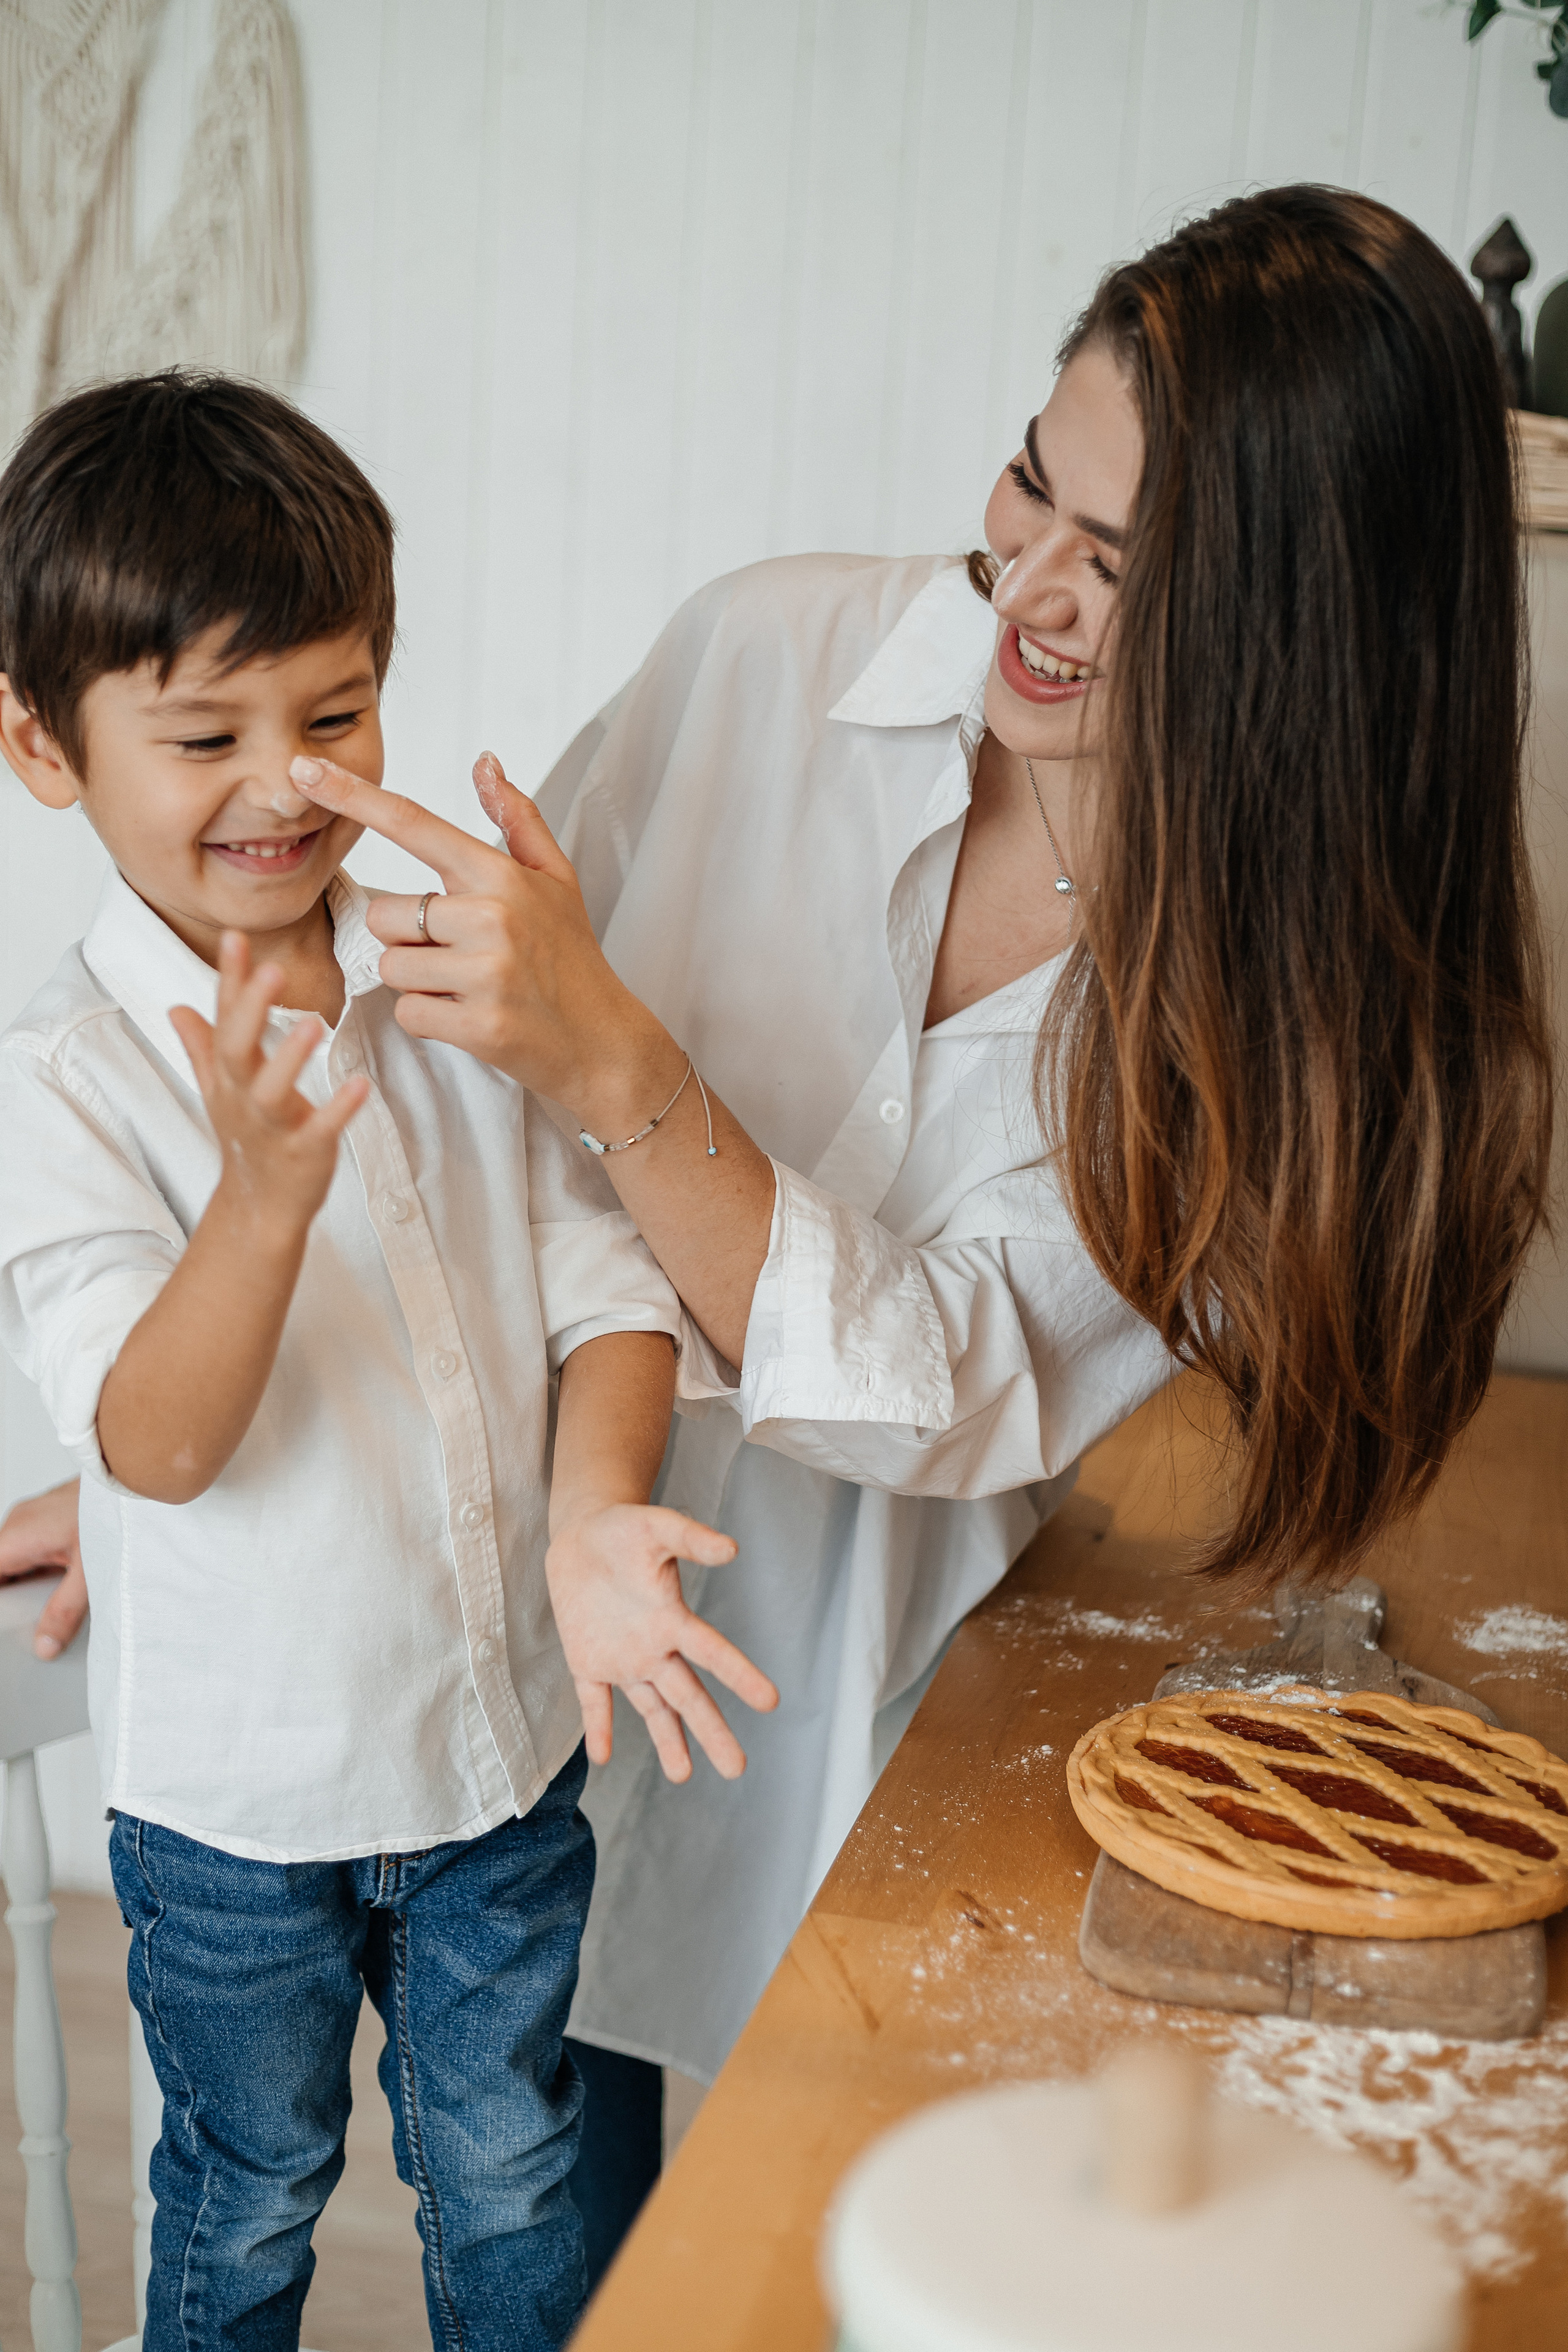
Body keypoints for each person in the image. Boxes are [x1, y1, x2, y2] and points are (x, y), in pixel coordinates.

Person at [6, 184, 1553, 2281]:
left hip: (838, 1728)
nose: (1031, 587)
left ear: (1309, 626)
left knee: (739, 2257)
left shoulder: (1267, 1012)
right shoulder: (764, 655)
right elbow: (456, 1138)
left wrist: (627, 1066)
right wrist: (260, 1460)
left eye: (1130, 566)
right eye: (1032, 481)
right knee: (504, 2227)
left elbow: (937, 1390)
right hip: (507, 1699)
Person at [0, 372, 774, 2351]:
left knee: (513, 2174)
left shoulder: (455, 987)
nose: (283, 784)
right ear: (43, 748)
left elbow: (612, 1286)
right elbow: (156, 1446)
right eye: (206, 735)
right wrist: (260, 1202)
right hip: (231, 1809)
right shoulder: (69, 1084)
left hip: (493, 1756)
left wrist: (597, 1512)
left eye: (335, 715)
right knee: (248, 2194)